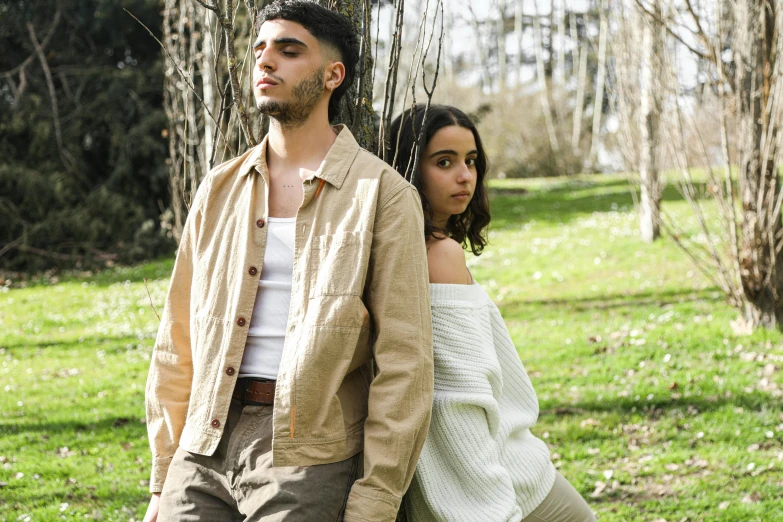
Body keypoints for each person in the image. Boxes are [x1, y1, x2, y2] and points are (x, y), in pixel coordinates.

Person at [142, 2, 433, 521]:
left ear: (332, 75)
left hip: (307, 455)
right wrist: (163, 476)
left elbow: (405, 363)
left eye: (288, 50)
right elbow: (177, 337)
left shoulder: (381, 195)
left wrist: (377, 497)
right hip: (201, 444)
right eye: (260, 49)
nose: (265, 61)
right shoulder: (219, 189)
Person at [387, 104, 596, 522]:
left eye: (471, 161)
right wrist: (489, 500)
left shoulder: (403, 245)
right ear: (409, 168)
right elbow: (458, 395)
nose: (464, 176)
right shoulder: (439, 255)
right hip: (501, 472)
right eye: (443, 162)